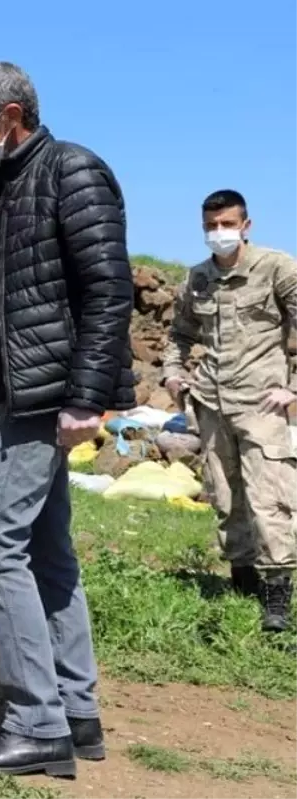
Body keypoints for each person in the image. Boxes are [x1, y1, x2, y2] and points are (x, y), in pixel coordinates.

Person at [0, 62, 136, 777]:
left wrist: (88, 396)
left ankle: (35, 720)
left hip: (50, 395)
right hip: (19, 394)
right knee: (46, 549)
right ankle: (75, 710)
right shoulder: (7, 185)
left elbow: (109, 291)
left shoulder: (71, 171)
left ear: (10, 114)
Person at [162, 190, 297, 632]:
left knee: (270, 500)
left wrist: (292, 389)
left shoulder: (276, 268)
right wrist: (173, 373)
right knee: (225, 496)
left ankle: (278, 596)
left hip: (261, 404)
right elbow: (179, 333)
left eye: (226, 224)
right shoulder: (197, 278)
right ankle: (243, 584)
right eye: (210, 226)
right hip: (212, 403)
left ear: (246, 226)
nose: (218, 233)